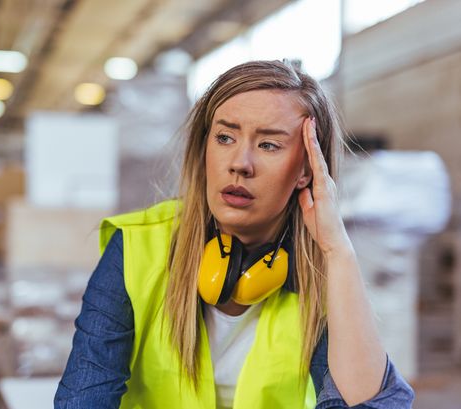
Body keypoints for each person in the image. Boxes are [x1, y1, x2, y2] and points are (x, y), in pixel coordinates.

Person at [54, 60, 415, 409]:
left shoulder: (321, 271)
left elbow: (371, 406)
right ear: (204, 148)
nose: (240, 163)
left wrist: (338, 251)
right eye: (225, 137)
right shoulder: (137, 247)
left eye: (268, 145)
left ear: (306, 169)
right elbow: (84, 394)